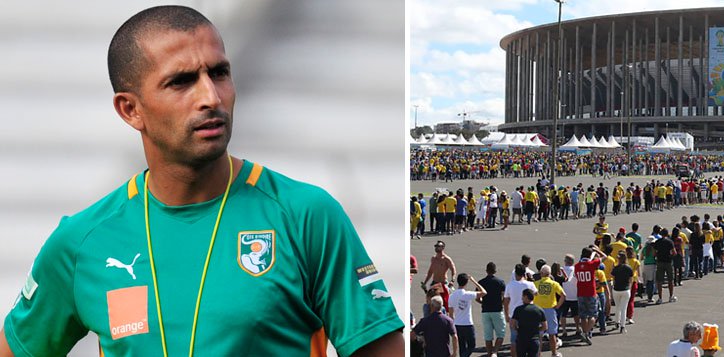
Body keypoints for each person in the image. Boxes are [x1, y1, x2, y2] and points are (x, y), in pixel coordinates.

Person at [0, 6, 404, 356]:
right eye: (181, 81)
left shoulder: (306, 215)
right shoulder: (81, 242)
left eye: (219, 72)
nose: (210, 96)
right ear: (130, 109)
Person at [574, 246, 606, 345]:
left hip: (580, 293)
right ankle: (586, 332)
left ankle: (585, 333)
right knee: (593, 314)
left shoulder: (577, 266)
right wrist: (596, 250)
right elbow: (604, 256)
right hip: (591, 292)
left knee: (583, 315)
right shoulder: (592, 264)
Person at [503, 264, 537, 357]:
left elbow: (506, 301)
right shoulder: (530, 284)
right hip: (529, 314)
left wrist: (506, 315)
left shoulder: (510, 285)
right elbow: (536, 294)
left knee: (514, 340)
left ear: (515, 274)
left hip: (514, 315)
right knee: (530, 337)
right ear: (524, 273)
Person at [532, 266, 565, 357]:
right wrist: (557, 306)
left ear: (541, 274)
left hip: (538, 310)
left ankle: (538, 354)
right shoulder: (554, 284)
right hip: (550, 310)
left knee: (539, 334)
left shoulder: (536, 284)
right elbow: (563, 295)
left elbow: (531, 295)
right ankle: (554, 353)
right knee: (552, 333)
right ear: (549, 274)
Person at [452, 273, 487, 357]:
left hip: (457, 324)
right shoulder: (467, 294)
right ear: (466, 283)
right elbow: (484, 292)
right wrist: (474, 281)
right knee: (472, 345)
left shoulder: (452, 296)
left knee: (462, 346)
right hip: (467, 324)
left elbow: (450, 313)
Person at [478, 263, 507, 357]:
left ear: (486, 270)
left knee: (488, 336)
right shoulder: (500, 282)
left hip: (485, 311)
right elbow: (504, 296)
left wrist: (483, 303)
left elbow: (477, 298)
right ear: (495, 271)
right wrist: (501, 303)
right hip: (497, 310)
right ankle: (495, 352)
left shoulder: (481, 282)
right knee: (501, 334)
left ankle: (490, 353)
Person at [424, 241, 458, 316]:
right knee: (430, 302)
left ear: (443, 247)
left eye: (438, 246)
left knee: (445, 304)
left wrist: (452, 280)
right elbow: (430, 271)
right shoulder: (433, 258)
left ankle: (446, 318)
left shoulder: (446, 259)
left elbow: (453, 270)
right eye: (435, 246)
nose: (436, 247)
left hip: (442, 283)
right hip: (435, 283)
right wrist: (425, 282)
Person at [510, 289, 547, 357]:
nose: (521, 298)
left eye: (522, 296)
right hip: (534, 339)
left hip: (521, 339)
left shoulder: (518, 309)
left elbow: (512, 324)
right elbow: (545, 326)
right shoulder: (539, 310)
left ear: (526, 297)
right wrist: (537, 330)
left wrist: (517, 329)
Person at [610, 251, 634, 334]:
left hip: (616, 289)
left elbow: (612, 277)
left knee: (617, 307)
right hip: (626, 289)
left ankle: (617, 322)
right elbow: (631, 279)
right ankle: (622, 326)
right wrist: (629, 288)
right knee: (624, 309)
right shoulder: (628, 268)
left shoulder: (616, 268)